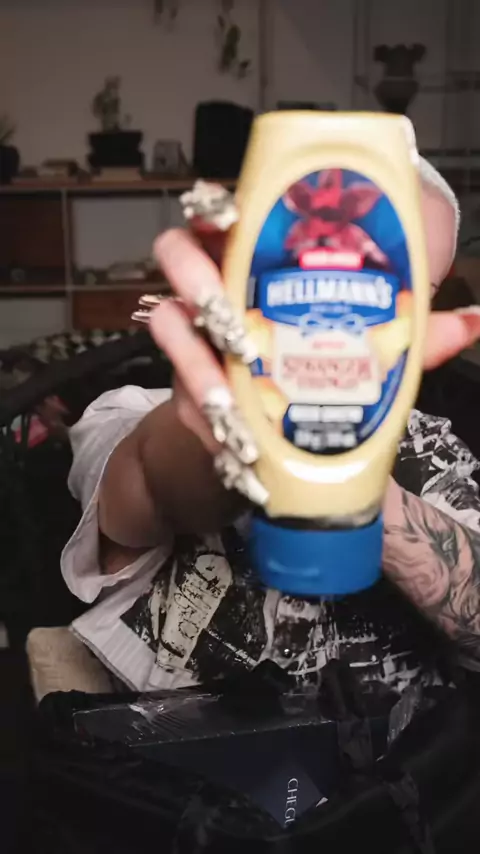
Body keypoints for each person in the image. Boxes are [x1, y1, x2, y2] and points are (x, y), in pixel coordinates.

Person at [62, 159, 480, 698]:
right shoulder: (132, 413)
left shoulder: (432, 448)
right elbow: (162, 480)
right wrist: (248, 422)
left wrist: (348, 469)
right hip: (184, 751)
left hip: (397, 750)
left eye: (407, 286)